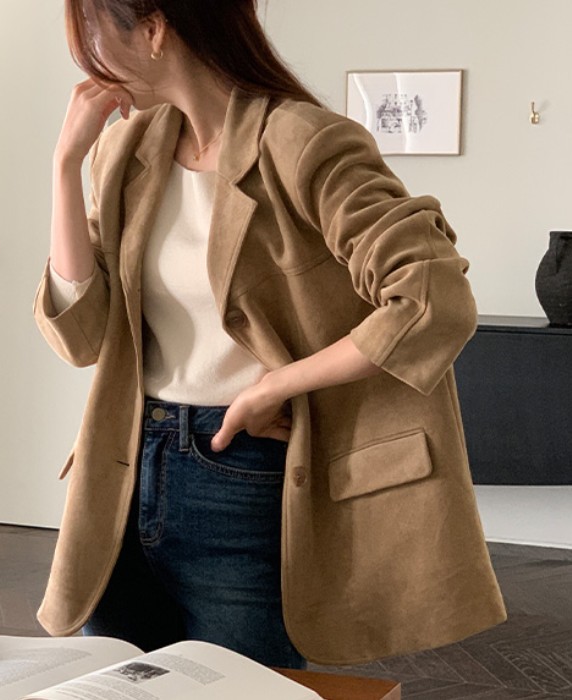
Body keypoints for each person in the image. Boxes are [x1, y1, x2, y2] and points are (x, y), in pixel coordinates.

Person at [34, 0, 507, 668]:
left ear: (155, 29)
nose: (86, 54)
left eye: (91, 28)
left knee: (243, 682)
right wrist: (64, 165)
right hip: (125, 466)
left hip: (243, 467)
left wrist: (276, 385)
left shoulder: (301, 142)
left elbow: (433, 297)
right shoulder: (124, 149)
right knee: (119, 681)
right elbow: (81, 338)